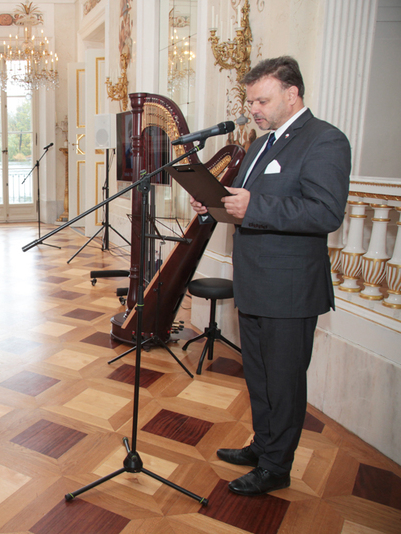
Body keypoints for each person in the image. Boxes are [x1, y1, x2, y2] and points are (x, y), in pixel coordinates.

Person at [189, 56, 350, 496]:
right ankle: (263, 446)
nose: (254, 109)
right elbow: (241, 202)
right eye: (251, 100)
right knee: (258, 376)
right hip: (256, 282)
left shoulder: (325, 141)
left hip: (291, 290)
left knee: (283, 380)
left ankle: (277, 467)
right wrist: (214, 205)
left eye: (263, 100)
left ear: (292, 94)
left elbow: (325, 212)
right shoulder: (261, 145)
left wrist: (252, 207)